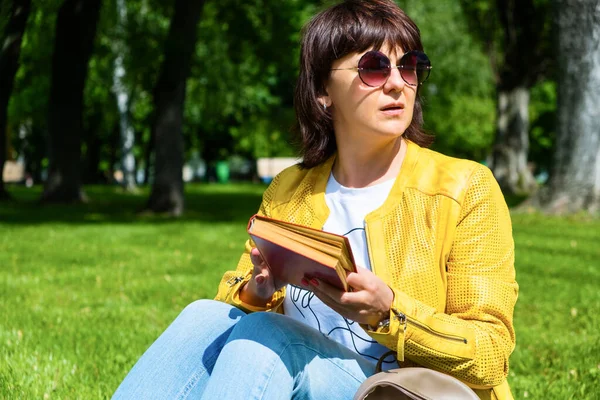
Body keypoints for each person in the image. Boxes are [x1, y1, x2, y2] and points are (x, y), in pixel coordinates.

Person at [112, 0, 518, 399]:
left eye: (409, 66)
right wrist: (258, 291)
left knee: (270, 335)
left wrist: (389, 313)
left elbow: (490, 353)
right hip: (316, 380)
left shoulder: (465, 187)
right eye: (374, 67)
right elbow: (230, 311)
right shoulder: (291, 189)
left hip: (407, 390)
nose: (397, 82)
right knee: (204, 315)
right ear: (324, 90)